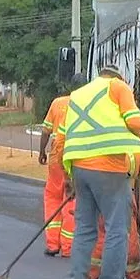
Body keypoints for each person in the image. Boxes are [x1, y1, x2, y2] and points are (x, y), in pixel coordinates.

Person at [56, 64, 140, 279]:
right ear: (118, 77)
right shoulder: (119, 87)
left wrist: (67, 176)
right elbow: (136, 124)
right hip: (109, 165)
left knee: (85, 230)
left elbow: (61, 137)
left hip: (79, 167)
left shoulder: (78, 95)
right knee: (117, 229)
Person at [87, 131, 140, 279]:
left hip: (95, 183)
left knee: (102, 234)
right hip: (117, 189)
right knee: (130, 237)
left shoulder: (119, 144)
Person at [39, 73, 88, 256]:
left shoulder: (58, 103)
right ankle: (68, 246)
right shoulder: (88, 104)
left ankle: (53, 244)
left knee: (52, 196)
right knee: (71, 199)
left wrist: (41, 152)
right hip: (77, 155)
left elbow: (45, 131)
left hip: (56, 155)